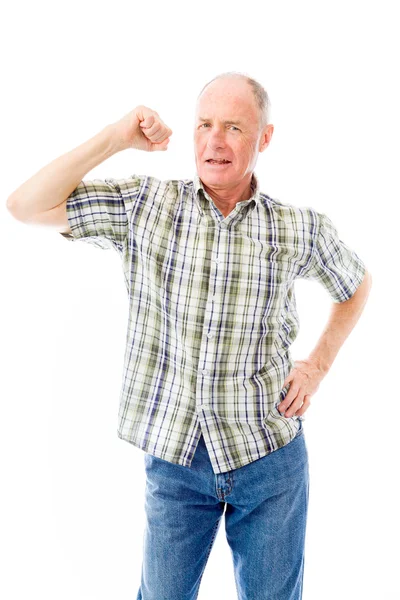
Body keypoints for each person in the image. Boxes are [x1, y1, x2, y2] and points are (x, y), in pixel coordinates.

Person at [6, 71, 372, 600]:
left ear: (264, 138)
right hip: (176, 462)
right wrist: (117, 136)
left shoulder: (298, 228)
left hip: (269, 456)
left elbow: (355, 285)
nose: (215, 141)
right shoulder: (146, 207)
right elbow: (24, 206)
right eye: (204, 124)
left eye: (233, 128)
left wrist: (316, 366)